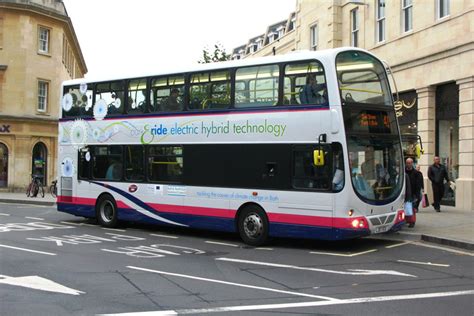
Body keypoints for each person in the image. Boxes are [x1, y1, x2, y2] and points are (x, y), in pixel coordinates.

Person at [405, 158, 423, 225]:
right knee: (406, 207)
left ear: (412, 163)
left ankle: (412, 222)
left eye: (410, 163)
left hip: (413, 193)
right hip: (405, 193)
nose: (408, 164)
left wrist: (417, 195)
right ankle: (406, 220)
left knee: (412, 208)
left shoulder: (416, 173)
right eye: (407, 163)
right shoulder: (404, 172)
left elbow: (418, 185)